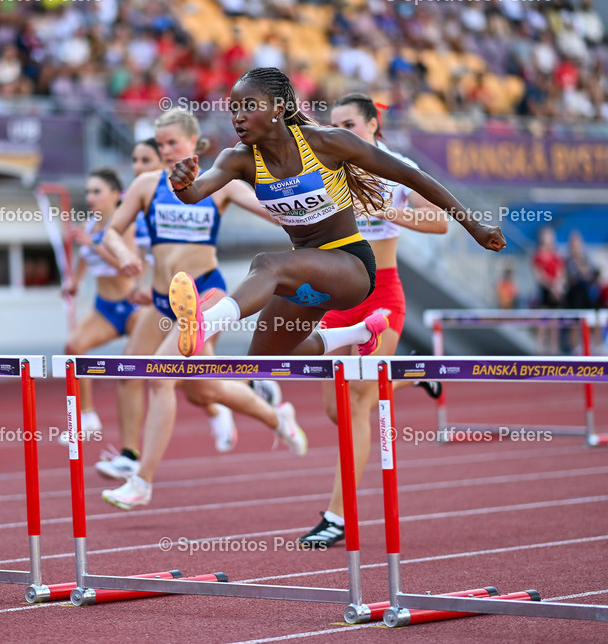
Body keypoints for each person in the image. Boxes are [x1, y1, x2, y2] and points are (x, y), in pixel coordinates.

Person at [165, 67, 504, 362]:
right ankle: (356, 334)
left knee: (266, 264)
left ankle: (206, 323)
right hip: (307, 272)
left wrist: (473, 225)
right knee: (263, 359)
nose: (238, 116)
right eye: (233, 108)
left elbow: (412, 177)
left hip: (351, 267)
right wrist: (182, 183)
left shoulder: (327, 143)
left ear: (278, 109)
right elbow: (196, 193)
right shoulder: (236, 159)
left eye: (249, 106)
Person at [99, 108, 307, 509]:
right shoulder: (146, 184)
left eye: (172, 143)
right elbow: (111, 232)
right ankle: (278, 416)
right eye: (160, 145)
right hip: (163, 304)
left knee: (159, 378)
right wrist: (123, 254)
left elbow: (271, 210)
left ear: (194, 143)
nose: (165, 151)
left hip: (203, 300)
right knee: (202, 389)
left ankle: (142, 481)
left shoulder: (220, 184)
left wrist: (308, 207)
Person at [293, 92, 448, 548]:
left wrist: (385, 210)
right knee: (334, 409)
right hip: (338, 296)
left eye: (350, 124)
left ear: (373, 127)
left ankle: (337, 517)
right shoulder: (324, 167)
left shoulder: (397, 167)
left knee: (359, 401)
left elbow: (439, 221)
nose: (340, 131)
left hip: (382, 294)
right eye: (334, 124)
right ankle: (416, 372)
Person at [61, 168, 147, 437]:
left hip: (133, 308)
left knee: (165, 367)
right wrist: (74, 281)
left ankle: (214, 405)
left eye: (96, 191)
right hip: (104, 309)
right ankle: (87, 416)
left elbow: (130, 269)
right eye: (87, 191)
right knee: (73, 347)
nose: (90, 197)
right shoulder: (89, 225)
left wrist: (95, 244)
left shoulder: (126, 226)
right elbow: (84, 257)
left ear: (115, 195)